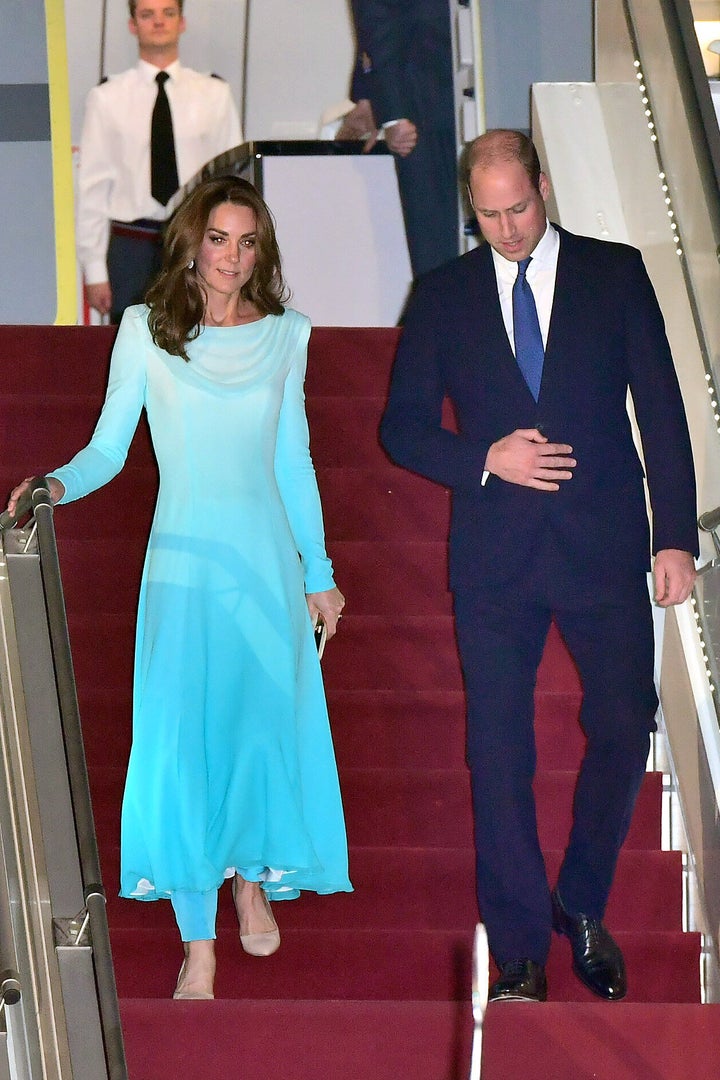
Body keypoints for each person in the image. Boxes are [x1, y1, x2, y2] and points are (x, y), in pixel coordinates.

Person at [9, 175, 352, 1000]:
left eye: (249, 242)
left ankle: (251, 881)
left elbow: (292, 462)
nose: (233, 258)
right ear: (193, 241)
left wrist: (320, 573)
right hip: (185, 571)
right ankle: (197, 941)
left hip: (265, 564)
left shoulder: (287, 335)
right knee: (182, 746)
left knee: (260, 732)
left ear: (261, 249)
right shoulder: (145, 330)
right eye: (220, 239)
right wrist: (52, 484)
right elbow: (109, 451)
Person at [380, 129, 698, 1004]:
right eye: (487, 215)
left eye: (518, 207)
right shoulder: (442, 295)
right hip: (494, 560)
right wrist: (485, 457)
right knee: (498, 752)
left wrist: (676, 535)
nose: (508, 229)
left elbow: (662, 408)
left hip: (602, 546)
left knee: (626, 723)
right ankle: (519, 945)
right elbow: (402, 428)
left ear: (545, 188)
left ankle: (582, 900)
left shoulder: (614, 272)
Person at [77, 0, 242, 323]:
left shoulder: (214, 94)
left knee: (200, 340)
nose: (158, 22)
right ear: (132, 24)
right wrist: (94, 267)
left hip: (196, 241)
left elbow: (232, 182)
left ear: (182, 22)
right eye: (147, 14)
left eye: (168, 13)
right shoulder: (107, 98)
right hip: (130, 244)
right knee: (132, 350)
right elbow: (93, 188)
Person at [336, 0, 459, 278]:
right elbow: (378, 19)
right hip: (423, 109)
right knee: (437, 250)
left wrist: (370, 95)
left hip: (492, 95)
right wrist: (392, 111)